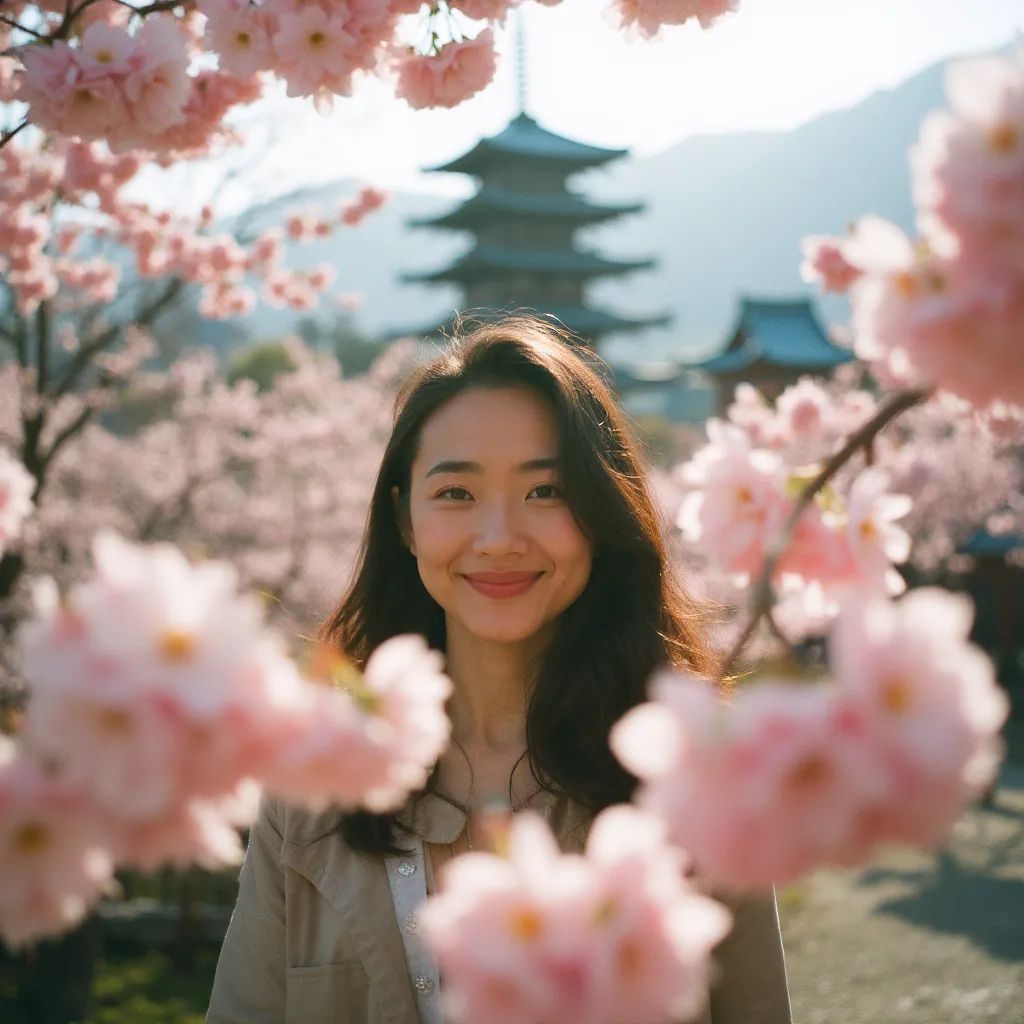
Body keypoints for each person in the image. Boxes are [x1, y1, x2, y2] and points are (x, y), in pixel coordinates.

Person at [207, 316, 792, 1024]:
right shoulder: (314, 780)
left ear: (601, 510)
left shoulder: (696, 775)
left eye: (545, 492)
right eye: (456, 493)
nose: (498, 538)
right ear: (404, 519)